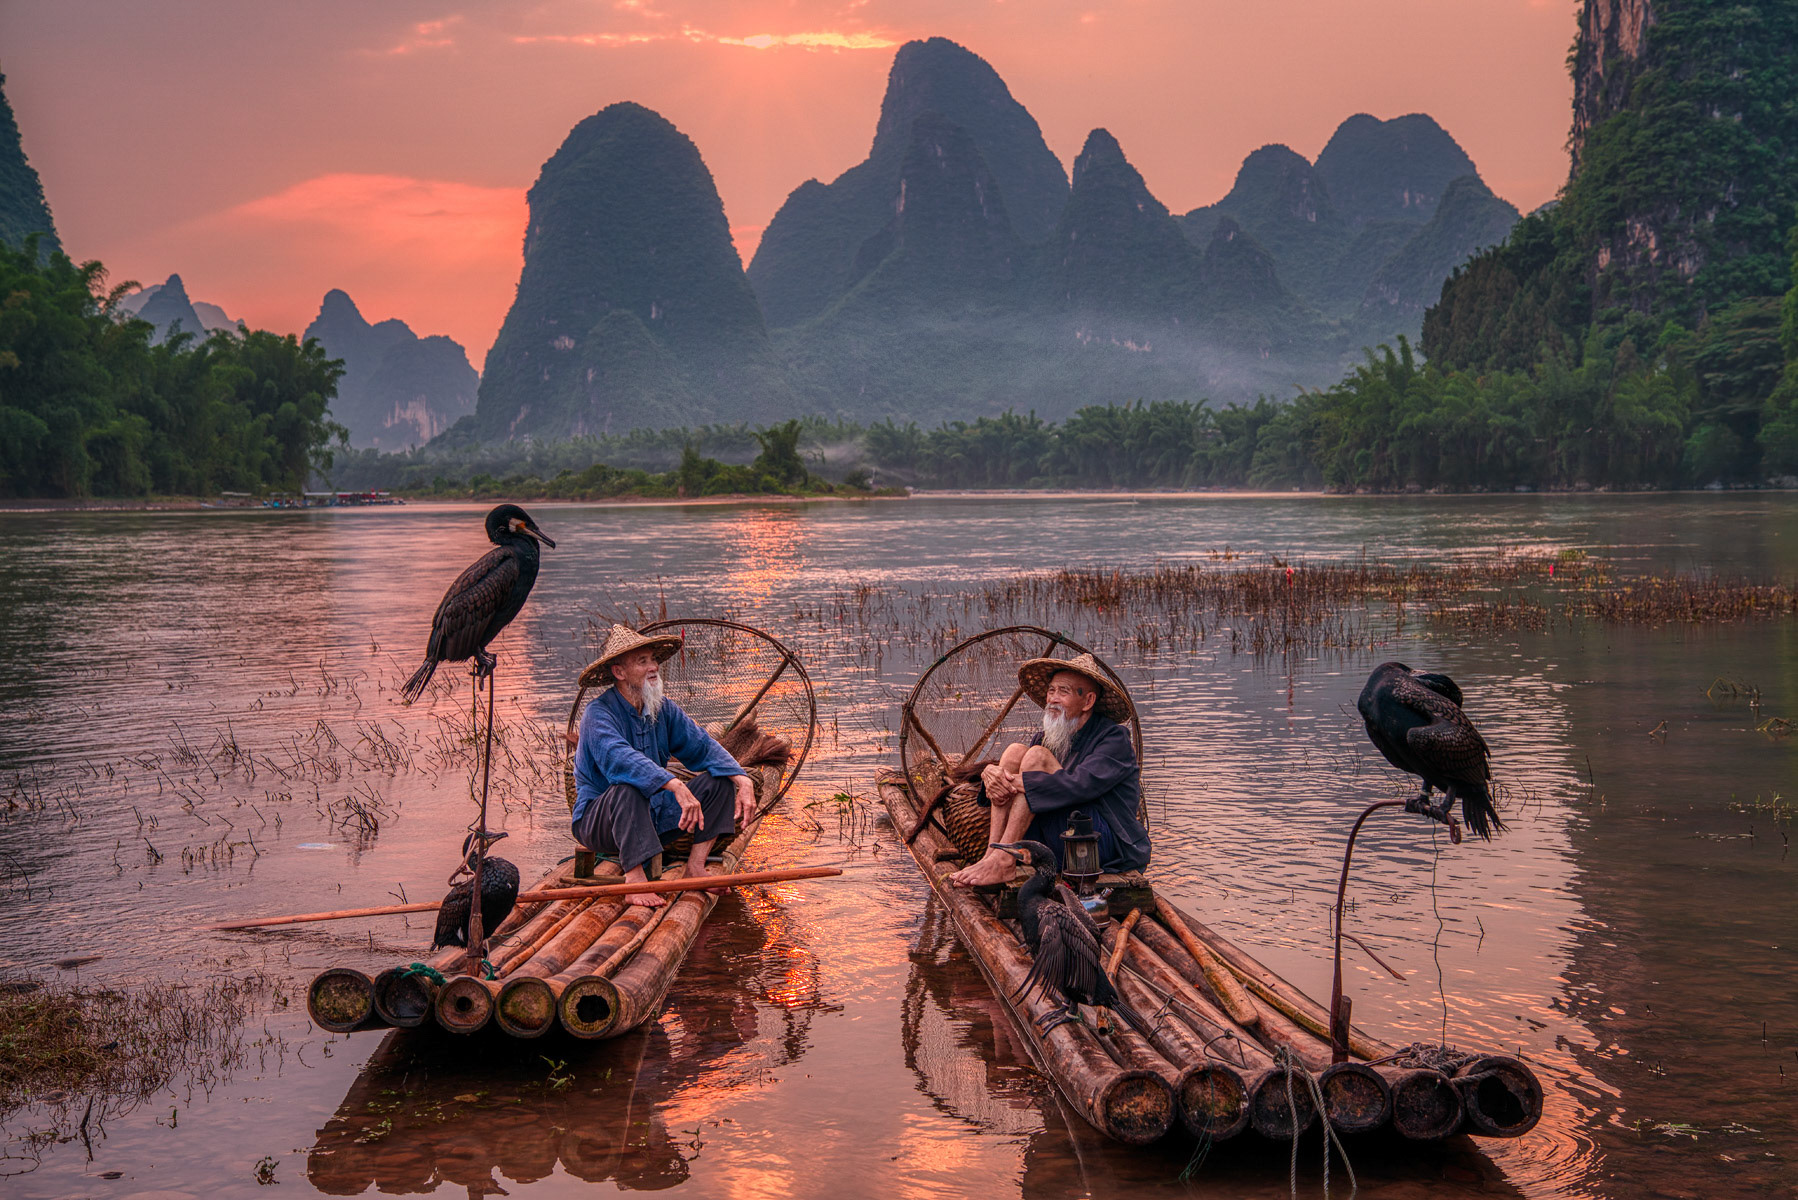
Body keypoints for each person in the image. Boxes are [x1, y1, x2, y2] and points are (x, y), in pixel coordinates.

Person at [570, 625, 756, 906]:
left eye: (653, 659)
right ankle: (634, 880)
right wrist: (675, 784)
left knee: (719, 780)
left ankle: (696, 866)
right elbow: (619, 758)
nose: (653, 666)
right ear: (619, 673)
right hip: (600, 823)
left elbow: (702, 745)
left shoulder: (662, 708)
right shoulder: (598, 714)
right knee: (628, 788)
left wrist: (743, 780)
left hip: (654, 817)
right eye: (642, 661)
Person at [949, 652, 1151, 887]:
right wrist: (990, 775)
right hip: (1056, 838)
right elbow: (1023, 790)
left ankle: (1004, 861)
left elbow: (1080, 785)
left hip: (1098, 846)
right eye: (1051, 691)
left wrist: (1009, 781)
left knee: (1035, 756)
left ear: (1088, 701)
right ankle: (992, 855)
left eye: (1063, 692)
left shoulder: (1114, 739)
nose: (1052, 699)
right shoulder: (1047, 738)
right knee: (1015, 751)